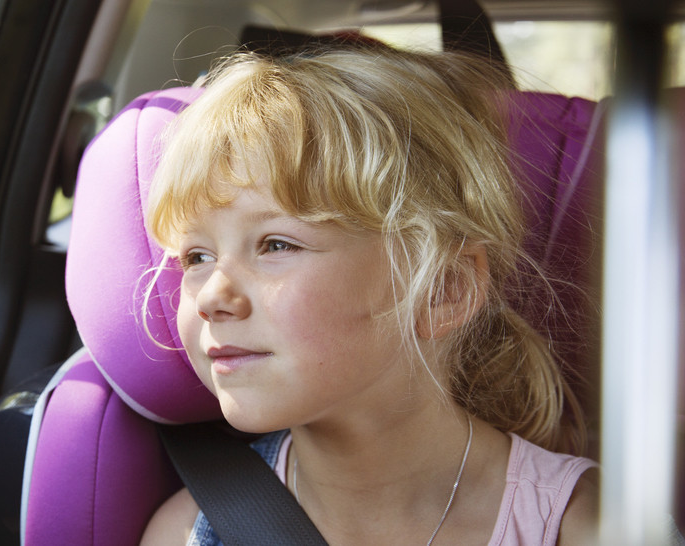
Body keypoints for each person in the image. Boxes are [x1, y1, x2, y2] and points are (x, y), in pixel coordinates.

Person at [138, 47, 598, 545]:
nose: (210, 297)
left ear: (444, 290)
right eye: (196, 257)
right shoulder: (185, 533)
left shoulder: (583, 526)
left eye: (276, 244)